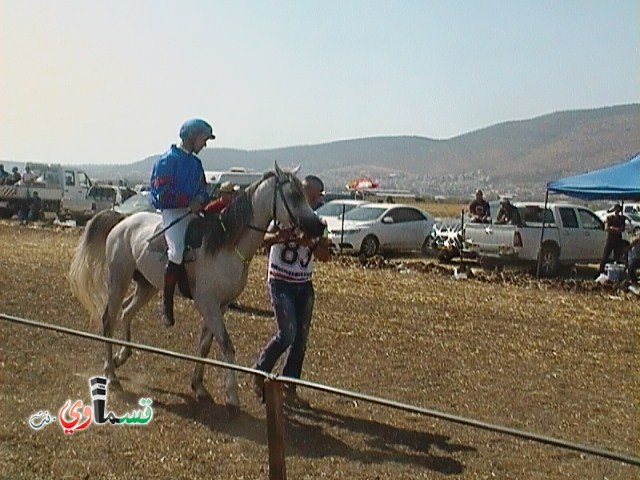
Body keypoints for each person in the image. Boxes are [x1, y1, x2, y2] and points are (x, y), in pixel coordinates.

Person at [253, 174, 331, 406]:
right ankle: (260, 371)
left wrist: (313, 244)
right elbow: (260, 240)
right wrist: (280, 236)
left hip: (304, 284)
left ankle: (289, 384)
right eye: (313, 196)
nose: (315, 201)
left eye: (318, 197)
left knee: (301, 339)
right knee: (287, 333)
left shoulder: (318, 222)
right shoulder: (283, 215)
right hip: (280, 280)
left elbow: (326, 256)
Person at [150, 118, 214, 327]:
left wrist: (200, 201)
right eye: (204, 140)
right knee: (176, 252)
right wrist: (188, 202)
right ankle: (166, 305)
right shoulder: (167, 160)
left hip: (193, 211)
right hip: (173, 213)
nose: (205, 145)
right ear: (192, 136)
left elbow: (203, 190)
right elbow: (162, 193)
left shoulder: (197, 164)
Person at [598, 203, 626, 274]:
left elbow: (622, 229)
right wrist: (614, 229)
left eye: (618, 209)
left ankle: (618, 273)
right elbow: (607, 228)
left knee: (617, 256)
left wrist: (614, 229)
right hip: (610, 239)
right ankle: (601, 271)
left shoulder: (622, 218)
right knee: (605, 256)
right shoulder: (610, 217)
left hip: (618, 239)